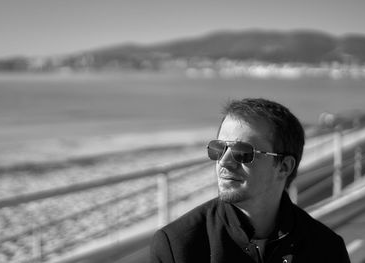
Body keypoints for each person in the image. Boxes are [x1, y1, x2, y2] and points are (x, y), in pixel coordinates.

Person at [150, 98, 351, 263]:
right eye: (219, 148)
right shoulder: (177, 247)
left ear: (284, 167)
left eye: (243, 152)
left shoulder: (326, 249)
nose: (224, 162)